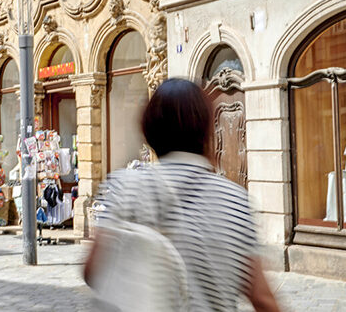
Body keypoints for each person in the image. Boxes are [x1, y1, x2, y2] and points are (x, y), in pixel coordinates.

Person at [84, 79, 280, 312]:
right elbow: (262, 299)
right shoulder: (235, 201)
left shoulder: (125, 187)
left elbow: (92, 272)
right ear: (207, 130)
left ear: (149, 130)